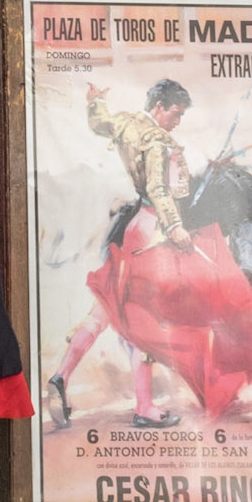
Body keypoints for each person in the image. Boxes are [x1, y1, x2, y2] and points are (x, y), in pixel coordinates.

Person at [48, 78, 195, 429]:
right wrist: (175, 226)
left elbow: (100, 122)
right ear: (159, 106)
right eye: (175, 113)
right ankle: (144, 407)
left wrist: (95, 101)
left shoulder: (128, 123)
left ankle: (61, 376)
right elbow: (158, 188)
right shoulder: (157, 140)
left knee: (105, 309)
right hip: (152, 229)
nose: (178, 121)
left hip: (134, 227)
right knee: (144, 319)